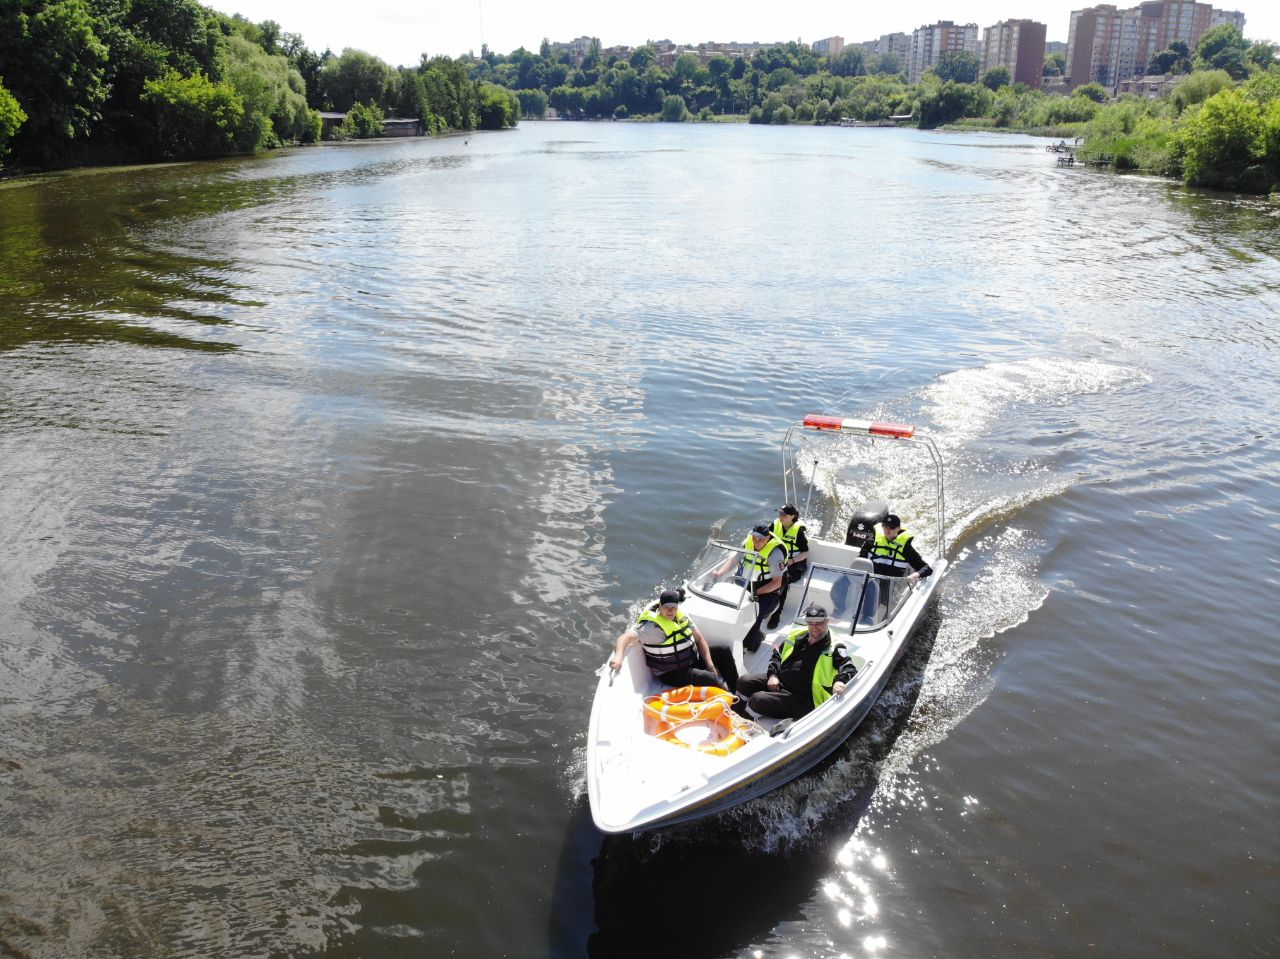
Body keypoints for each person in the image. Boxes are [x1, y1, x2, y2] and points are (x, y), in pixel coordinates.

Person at [734, 603, 857, 722]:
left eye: (818, 623)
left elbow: (849, 668)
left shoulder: (835, 647)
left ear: (826, 622)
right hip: (781, 681)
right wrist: (773, 675)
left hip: (804, 698)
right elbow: (777, 654)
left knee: (757, 700)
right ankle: (735, 710)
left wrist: (840, 681)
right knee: (744, 681)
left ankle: (743, 721)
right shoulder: (797, 636)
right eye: (811, 624)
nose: (814, 627)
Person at [609, 588, 732, 690]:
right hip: (671, 673)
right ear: (660, 606)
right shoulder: (650, 627)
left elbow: (700, 640)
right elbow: (624, 638)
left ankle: (737, 691)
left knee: (724, 651)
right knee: (710, 678)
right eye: (666, 607)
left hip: (691, 661)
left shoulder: (682, 616)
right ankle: (733, 703)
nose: (670, 610)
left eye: (673, 607)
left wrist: (710, 665)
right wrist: (618, 656)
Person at [740, 524, 787, 652]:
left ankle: (748, 646)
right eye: (754, 538)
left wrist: (755, 593)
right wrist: (719, 573)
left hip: (768, 589)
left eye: (760, 539)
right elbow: (734, 560)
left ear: (767, 538)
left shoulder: (775, 553)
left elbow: (777, 583)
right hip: (748, 583)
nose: (757, 542)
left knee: (755, 613)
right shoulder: (748, 543)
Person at [766, 504, 810, 630]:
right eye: (779, 513)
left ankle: (776, 614)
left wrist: (791, 561)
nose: (780, 516)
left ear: (792, 517)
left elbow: (805, 552)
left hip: (794, 565)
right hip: (777, 561)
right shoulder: (774, 525)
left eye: (784, 515)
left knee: (782, 580)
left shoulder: (799, 531)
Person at [859, 513, 933, 584]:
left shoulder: (905, 548)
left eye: (891, 527)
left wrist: (915, 575)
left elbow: (927, 569)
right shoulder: (871, 543)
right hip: (870, 583)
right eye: (885, 526)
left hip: (892, 587)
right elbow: (860, 563)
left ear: (898, 528)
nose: (887, 530)